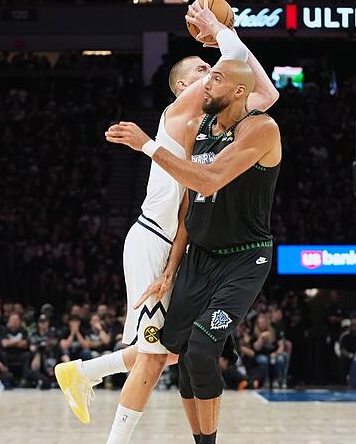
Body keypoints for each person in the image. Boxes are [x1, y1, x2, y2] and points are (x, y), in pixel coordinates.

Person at [56, 0, 278, 443]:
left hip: (179, 240)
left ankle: (84, 372)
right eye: (203, 70)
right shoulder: (177, 115)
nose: (211, 72)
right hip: (153, 239)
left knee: (170, 348)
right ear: (182, 87)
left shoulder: (210, 124)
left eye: (212, 69)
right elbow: (234, 61)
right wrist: (218, 29)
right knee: (156, 355)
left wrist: (227, 40)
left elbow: (264, 93)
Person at [107, 54, 281, 443]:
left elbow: (208, 180)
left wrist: (148, 145)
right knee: (179, 351)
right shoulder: (195, 128)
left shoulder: (260, 128)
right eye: (204, 74)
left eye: (215, 77)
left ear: (238, 90)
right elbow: (190, 205)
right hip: (198, 256)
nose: (208, 82)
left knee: (200, 350)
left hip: (244, 258)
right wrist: (171, 270)